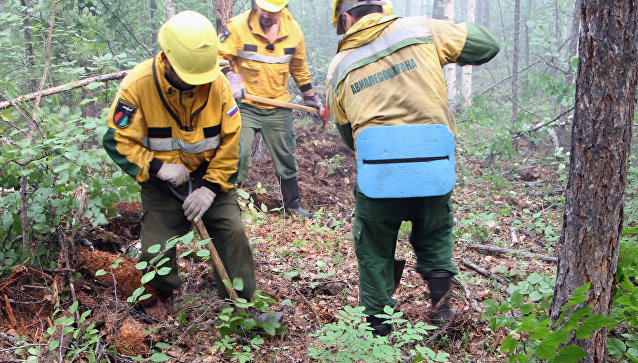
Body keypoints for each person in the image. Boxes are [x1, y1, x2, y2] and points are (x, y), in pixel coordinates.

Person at [327, 0, 500, 336]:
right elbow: (487, 45)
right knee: (435, 234)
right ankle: (442, 313)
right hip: (433, 170)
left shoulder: (339, 64)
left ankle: (379, 333)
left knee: (374, 248)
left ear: (347, 17)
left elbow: (350, 136)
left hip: (380, 179)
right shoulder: (423, 29)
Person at [102, 11, 257, 306]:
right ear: (167, 60)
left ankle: (242, 303)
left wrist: (210, 189)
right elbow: (116, 140)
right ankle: (159, 300)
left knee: (233, 233)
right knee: (154, 252)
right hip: (161, 181)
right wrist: (158, 168)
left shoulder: (218, 84)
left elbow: (230, 142)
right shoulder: (138, 85)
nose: (195, 85)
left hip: (212, 174)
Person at [218, 0, 322, 218]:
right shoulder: (236, 26)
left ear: (283, 8)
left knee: (285, 157)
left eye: (272, 11)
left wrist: (310, 95)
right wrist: (231, 78)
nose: (266, 14)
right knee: (239, 154)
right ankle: (227, 207)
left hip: (278, 105)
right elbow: (218, 55)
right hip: (245, 106)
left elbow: (299, 66)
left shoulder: (293, 30)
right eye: (263, 8)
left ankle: (293, 207)